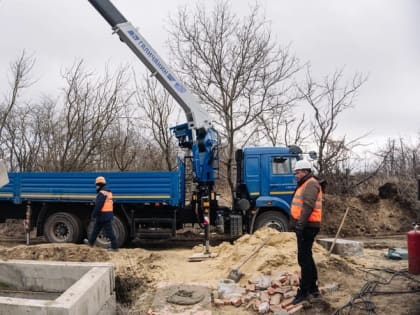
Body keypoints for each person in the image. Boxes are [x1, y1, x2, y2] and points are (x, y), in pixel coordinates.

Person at [289, 160, 323, 304]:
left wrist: (300, 226)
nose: (295, 175)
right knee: (307, 256)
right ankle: (313, 288)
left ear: (305, 171)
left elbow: (308, 206)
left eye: (297, 172)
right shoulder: (306, 183)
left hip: (308, 226)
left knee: (303, 259)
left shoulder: (311, 184)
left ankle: (304, 292)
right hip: (306, 226)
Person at [84, 176, 118, 252]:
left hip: (103, 215)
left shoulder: (102, 193)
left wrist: (93, 215)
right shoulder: (108, 191)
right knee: (96, 229)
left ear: (99, 184)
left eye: (96, 185)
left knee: (109, 231)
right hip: (105, 214)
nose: (95, 187)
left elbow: (99, 205)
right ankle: (91, 242)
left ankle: (115, 247)